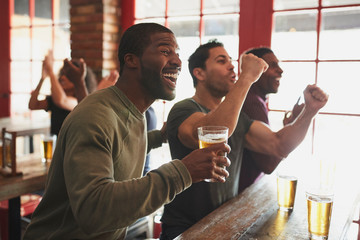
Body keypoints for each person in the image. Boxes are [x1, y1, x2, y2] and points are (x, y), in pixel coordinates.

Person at [23, 23, 231, 240]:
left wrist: (159, 137)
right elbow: (93, 210)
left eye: (177, 54)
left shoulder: (133, 110)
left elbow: (119, 143)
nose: (178, 61)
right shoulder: (94, 115)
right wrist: (183, 171)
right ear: (131, 60)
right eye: (165, 51)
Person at [160, 40, 328, 239]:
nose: (232, 66)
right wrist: (247, 77)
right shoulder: (184, 108)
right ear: (199, 73)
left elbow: (279, 145)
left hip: (224, 224)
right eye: (222, 61)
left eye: (231, 61)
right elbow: (210, 133)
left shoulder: (237, 118)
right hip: (185, 228)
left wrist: (309, 111)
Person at [238, 47, 304, 193]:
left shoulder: (254, 99)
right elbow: (268, 164)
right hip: (243, 194)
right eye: (272, 65)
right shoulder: (252, 102)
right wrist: (295, 123)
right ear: (255, 71)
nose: (280, 70)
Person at [28, 51, 97, 136]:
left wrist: (50, 71)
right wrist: (42, 79)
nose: (62, 77)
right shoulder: (54, 98)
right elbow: (33, 105)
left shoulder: (78, 101)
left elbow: (61, 101)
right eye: (62, 74)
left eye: (68, 76)